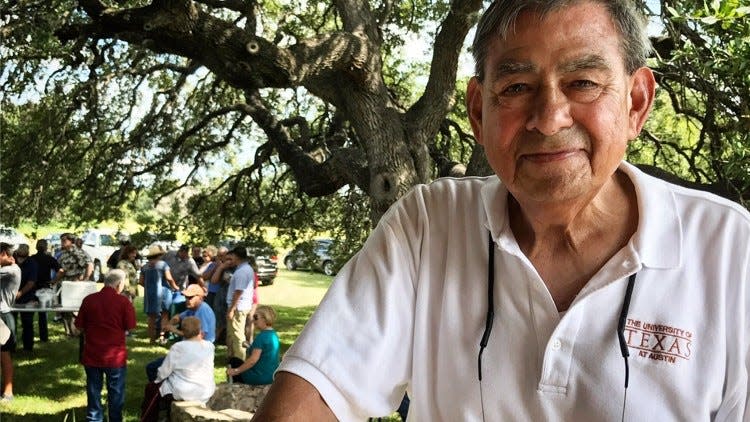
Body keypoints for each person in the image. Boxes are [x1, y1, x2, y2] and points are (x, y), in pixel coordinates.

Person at [254, 1, 750, 420]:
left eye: (582, 82)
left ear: (637, 103)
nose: (549, 117)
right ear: (477, 112)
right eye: (515, 88)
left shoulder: (731, 251)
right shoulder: (429, 225)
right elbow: (310, 399)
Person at [75, 269, 136, 422]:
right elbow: (131, 326)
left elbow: (79, 326)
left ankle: (94, 418)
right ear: (119, 284)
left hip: (92, 353)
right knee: (115, 392)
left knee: (93, 390)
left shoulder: (89, 300)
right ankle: (115, 418)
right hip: (115, 356)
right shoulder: (123, 302)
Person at [140, 317, 215, 422]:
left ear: (183, 331)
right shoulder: (210, 346)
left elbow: (164, 372)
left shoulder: (178, 347)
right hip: (205, 391)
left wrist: (156, 381)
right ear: (199, 330)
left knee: (151, 389)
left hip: (185, 392)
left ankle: (148, 419)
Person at [145, 284, 216, 382]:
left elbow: (199, 336)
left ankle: (158, 392)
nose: (187, 299)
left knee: (152, 368)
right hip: (191, 350)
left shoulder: (203, 311)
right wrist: (170, 323)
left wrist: (175, 330)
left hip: (196, 353)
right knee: (159, 363)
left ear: (200, 298)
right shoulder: (193, 308)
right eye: (186, 297)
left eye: (190, 297)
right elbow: (179, 317)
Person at [226, 305, 279, 385]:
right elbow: (264, 352)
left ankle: (233, 388)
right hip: (270, 377)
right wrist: (249, 347)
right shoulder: (274, 336)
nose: (253, 320)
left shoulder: (261, 337)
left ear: (265, 318)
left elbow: (252, 361)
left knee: (234, 361)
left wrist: (236, 371)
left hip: (259, 377)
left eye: (256, 317)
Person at [140, 245, 179, 344]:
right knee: (164, 315)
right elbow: (169, 278)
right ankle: (162, 337)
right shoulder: (163, 265)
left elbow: (140, 281)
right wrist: (175, 286)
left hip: (150, 295)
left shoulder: (144, 267)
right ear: (159, 255)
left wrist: (149, 287)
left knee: (151, 317)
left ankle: (152, 339)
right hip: (164, 293)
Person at [55, 232, 93, 336]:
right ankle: (69, 331)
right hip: (65, 284)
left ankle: (77, 331)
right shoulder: (62, 254)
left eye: (64, 240)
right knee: (64, 308)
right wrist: (54, 281)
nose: (62, 243)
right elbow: (62, 270)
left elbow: (89, 265)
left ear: (71, 241)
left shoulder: (78, 252)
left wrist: (85, 279)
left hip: (76, 284)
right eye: (61, 240)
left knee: (76, 308)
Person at [223, 247, 254, 362]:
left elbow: (238, 292)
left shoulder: (242, 271)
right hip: (242, 306)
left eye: (232, 257)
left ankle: (240, 359)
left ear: (236, 256)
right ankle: (233, 357)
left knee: (237, 335)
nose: (231, 259)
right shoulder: (247, 268)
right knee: (233, 333)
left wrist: (231, 309)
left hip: (238, 307)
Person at [28, 239, 60, 344]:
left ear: (36, 247)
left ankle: (28, 338)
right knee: (43, 314)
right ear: (46, 247)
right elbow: (61, 270)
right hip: (45, 287)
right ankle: (44, 337)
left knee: (29, 314)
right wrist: (53, 281)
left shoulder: (31, 258)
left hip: (32, 287)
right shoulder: (49, 258)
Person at [0, 243, 20, 402]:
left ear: (4, 254)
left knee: (4, 354)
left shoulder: (11, 269)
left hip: (3, 315)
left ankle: (8, 392)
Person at [12, 244, 39, 352]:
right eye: (19, 256)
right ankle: (10, 347)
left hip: (27, 297)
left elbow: (31, 282)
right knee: (10, 323)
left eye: (23, 256)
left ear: (27, 255)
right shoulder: (12, 261)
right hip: (11, 297)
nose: (20, 259)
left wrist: (20, 293)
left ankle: (27, 347)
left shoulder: (32, 264)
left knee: (27, 323)